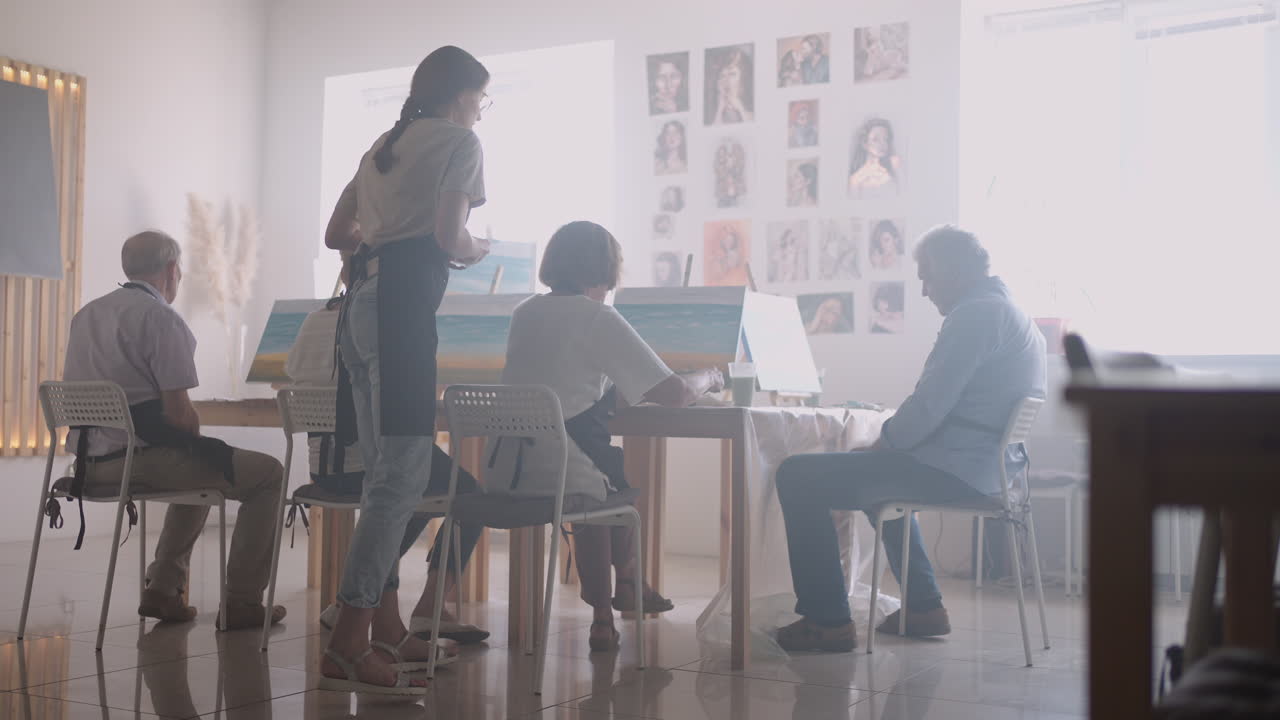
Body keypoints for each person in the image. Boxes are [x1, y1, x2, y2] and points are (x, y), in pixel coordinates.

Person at [773, 226, 1047, 653]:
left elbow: (930, 406)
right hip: (990, 470)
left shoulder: (976, 314)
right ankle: (923, 607)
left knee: (797, 475)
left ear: (954, 271)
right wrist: (888, 448)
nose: (924, 291)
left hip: (958, 470)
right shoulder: (1010, 313)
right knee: (876, 481)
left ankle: (826, 621)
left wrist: (883, 444)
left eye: (927, 277)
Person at [319, 45, 492, 694]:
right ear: (459, 97)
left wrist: (381, 238)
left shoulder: (380, 147)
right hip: (400, 313)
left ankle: (385, 625)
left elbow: (338, 232)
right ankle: (346, 641)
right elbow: (451, 238)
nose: (480, 111)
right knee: (403, 477)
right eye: (481, 99)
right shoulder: (459, 143)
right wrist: (479, 250)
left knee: (381, 478)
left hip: (361, 308)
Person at [501, 221, 725, 651]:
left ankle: (624, 588)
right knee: (610, 486)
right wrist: (710, 377)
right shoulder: (596, 316)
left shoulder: (524, 312)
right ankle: (610, 607)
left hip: (512, 467)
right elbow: (675, 394)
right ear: (604, 269)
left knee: (606, 473)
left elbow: (563, 379)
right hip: (569, 467)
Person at [62, 230, 286, 631]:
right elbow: (180, 416)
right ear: (171, 270)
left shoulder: (87, 316)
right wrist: (202, 444)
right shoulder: (160, 318)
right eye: (179, 271)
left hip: (85, 465)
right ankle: (242, 602)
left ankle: (164, 589)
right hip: (137, 461)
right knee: (268, 474)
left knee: (200, 466)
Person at [284, 295, 490, 646]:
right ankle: (430, 607)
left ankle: (349, 600)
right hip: (369, 461)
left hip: (323, 468)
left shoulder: (312, 321)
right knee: (466, 495)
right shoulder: (383, 320)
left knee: (420, 489)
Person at [848, 118, 901, 195]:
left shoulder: (892, 167)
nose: (882, 144)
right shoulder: (856, 179)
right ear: (864, 144)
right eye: (875, 140)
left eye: (885, 139)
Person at [706, 47, 753, 125]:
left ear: (743, 80)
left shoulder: (752, 115)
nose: (726, 80)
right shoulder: (712, 117)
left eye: (732, 74)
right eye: (722, 75)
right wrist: (720, 109)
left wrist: (740, 109)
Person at [714, 139, 747, 208]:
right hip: (723, 197)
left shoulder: (738, 173)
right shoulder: (721, 171)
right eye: (727, 156)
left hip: (736, 198)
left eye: (732, 156)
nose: (729, 158)